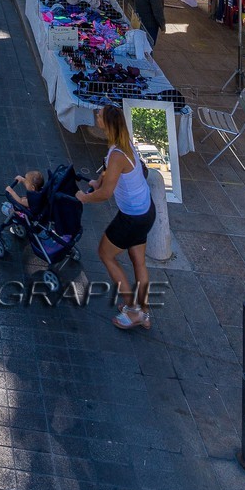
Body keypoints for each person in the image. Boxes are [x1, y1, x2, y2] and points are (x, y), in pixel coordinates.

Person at [76, 104, 156, 331]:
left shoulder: (117, 154)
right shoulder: (122, 141)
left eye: (99, 115)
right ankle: (145, 311)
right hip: (146, 211)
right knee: (138, 260)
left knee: (105, 254)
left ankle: (133, 311)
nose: (96, 116)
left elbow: (105, 194)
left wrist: (84, 197)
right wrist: (97, 181)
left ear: (107, 124)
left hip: (131, 217)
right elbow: (107, 172)